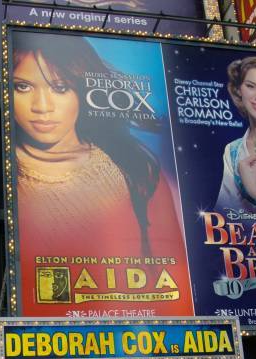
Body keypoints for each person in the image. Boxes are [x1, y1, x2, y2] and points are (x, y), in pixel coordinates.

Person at [11, 32, 193, 316]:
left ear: (81, 91)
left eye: (60, 88)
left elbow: (177, 283)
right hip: (26, 342)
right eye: (22, 87)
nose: (42, 107)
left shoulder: (133, 167)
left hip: (134, 340)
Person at [215, 56, 256, 218]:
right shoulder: (232, 150)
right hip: (252, 241)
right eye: (251, 86)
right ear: (239, 90)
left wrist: (253, 190)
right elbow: (226, 214)